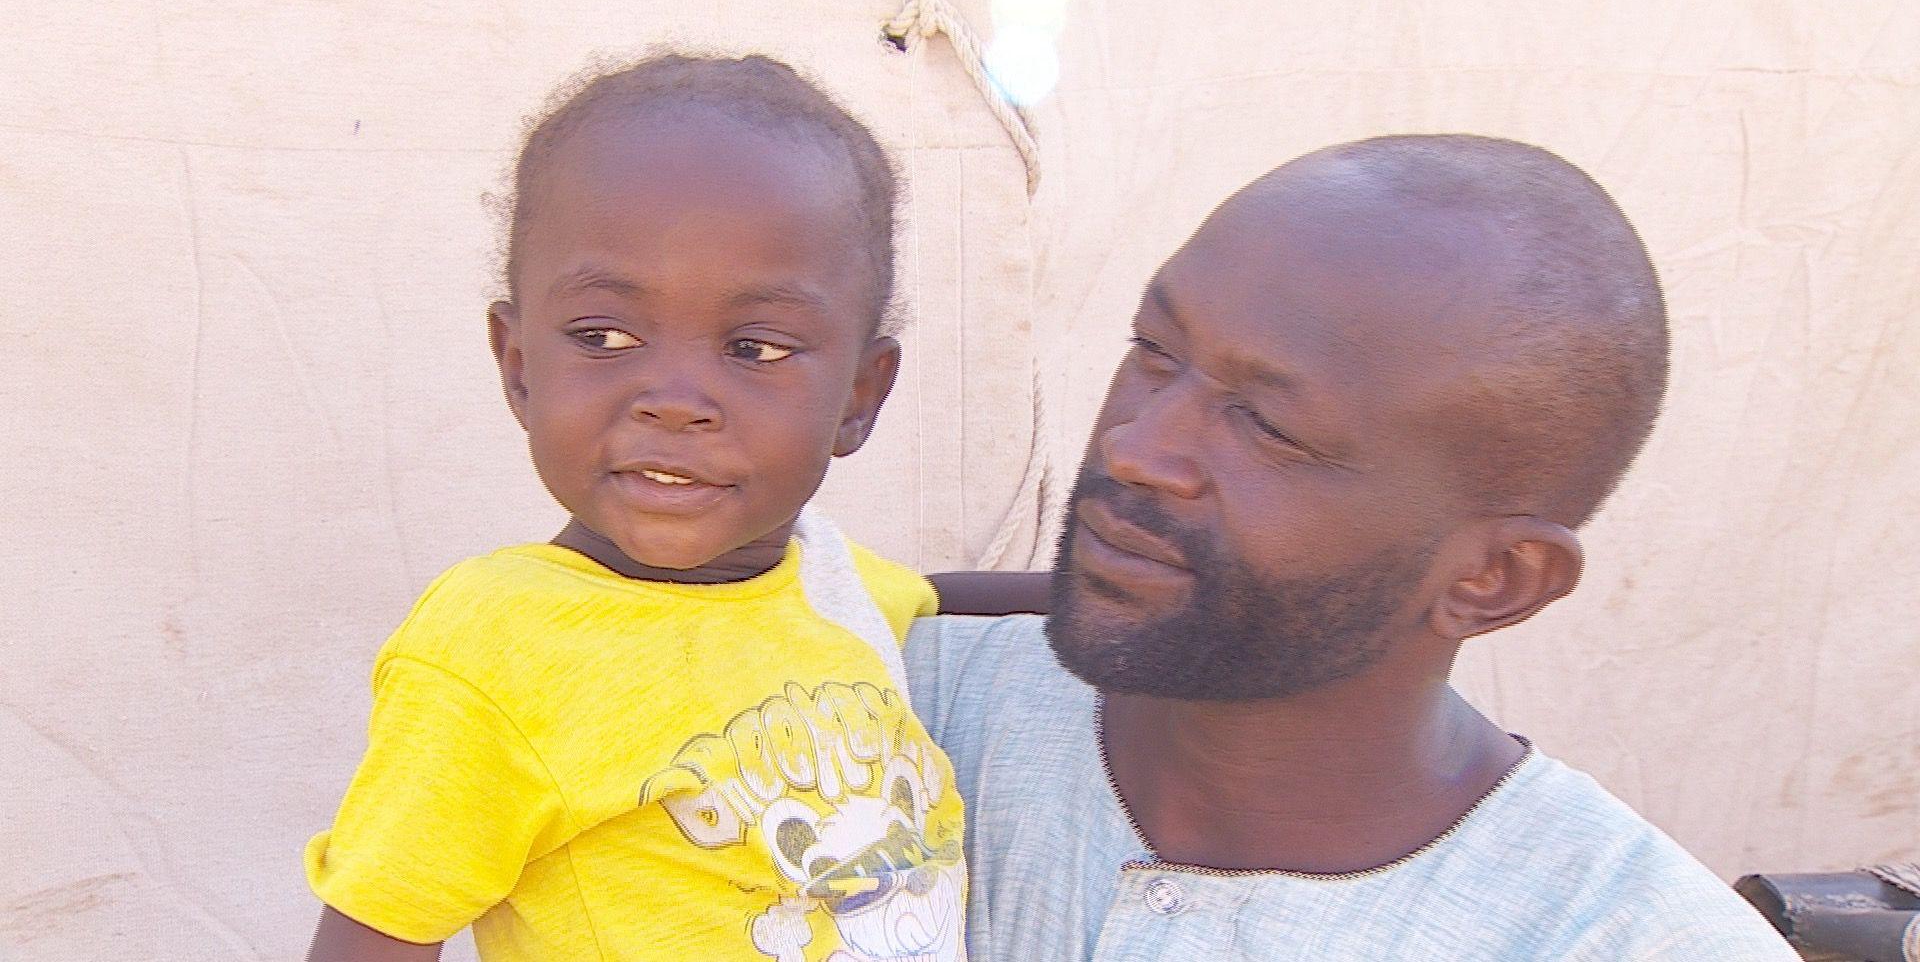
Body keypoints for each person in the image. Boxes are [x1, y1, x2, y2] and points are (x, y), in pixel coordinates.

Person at [909, 136, 1799, 960]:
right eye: (1154, 350)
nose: (1134, 448)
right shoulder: (879, 704)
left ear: (1493, 580)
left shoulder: (1629, 940)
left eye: (1267, 425)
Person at [305, 53, 974, 962]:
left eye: (755, 347)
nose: (674, 398)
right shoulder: (499, 646)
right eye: (605, 337)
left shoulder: (833, 585)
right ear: (520, 367)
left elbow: (942, 598)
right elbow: (374, 936)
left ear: (860, 395)